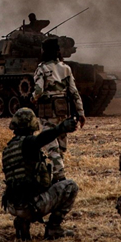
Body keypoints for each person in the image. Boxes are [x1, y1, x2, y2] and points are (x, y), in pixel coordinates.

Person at [1, 108, 79, 241]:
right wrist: (60, 128)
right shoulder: (28, 143)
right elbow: (41, 139)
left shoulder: (8, 149)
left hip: (13, 205)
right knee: (71, 186)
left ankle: (22, 221)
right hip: (31, 205)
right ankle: (53, 228)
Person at [29, 37, 85, 182]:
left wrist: (33, 98)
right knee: (61, 144)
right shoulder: (66, 68)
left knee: (51, 144)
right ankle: (58, 171)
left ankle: (59, 176)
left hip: (48, 111)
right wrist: (80, 112)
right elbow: (74, 92)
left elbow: (39, 90)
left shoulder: (42, 68)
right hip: (63, 109)